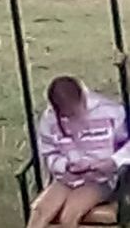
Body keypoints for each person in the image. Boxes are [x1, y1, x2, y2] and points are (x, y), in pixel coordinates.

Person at [27, 75, 130, 228]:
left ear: (83, 99)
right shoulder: (49, 120)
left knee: (69, 215)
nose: (73, 121)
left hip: (99, 179)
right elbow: (49, 154)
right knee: (40, 212)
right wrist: (65, 166)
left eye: (75, 113)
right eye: (66, 116)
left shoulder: (111, 112)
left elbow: (126, 145)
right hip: (66, 178)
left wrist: (112, 162)